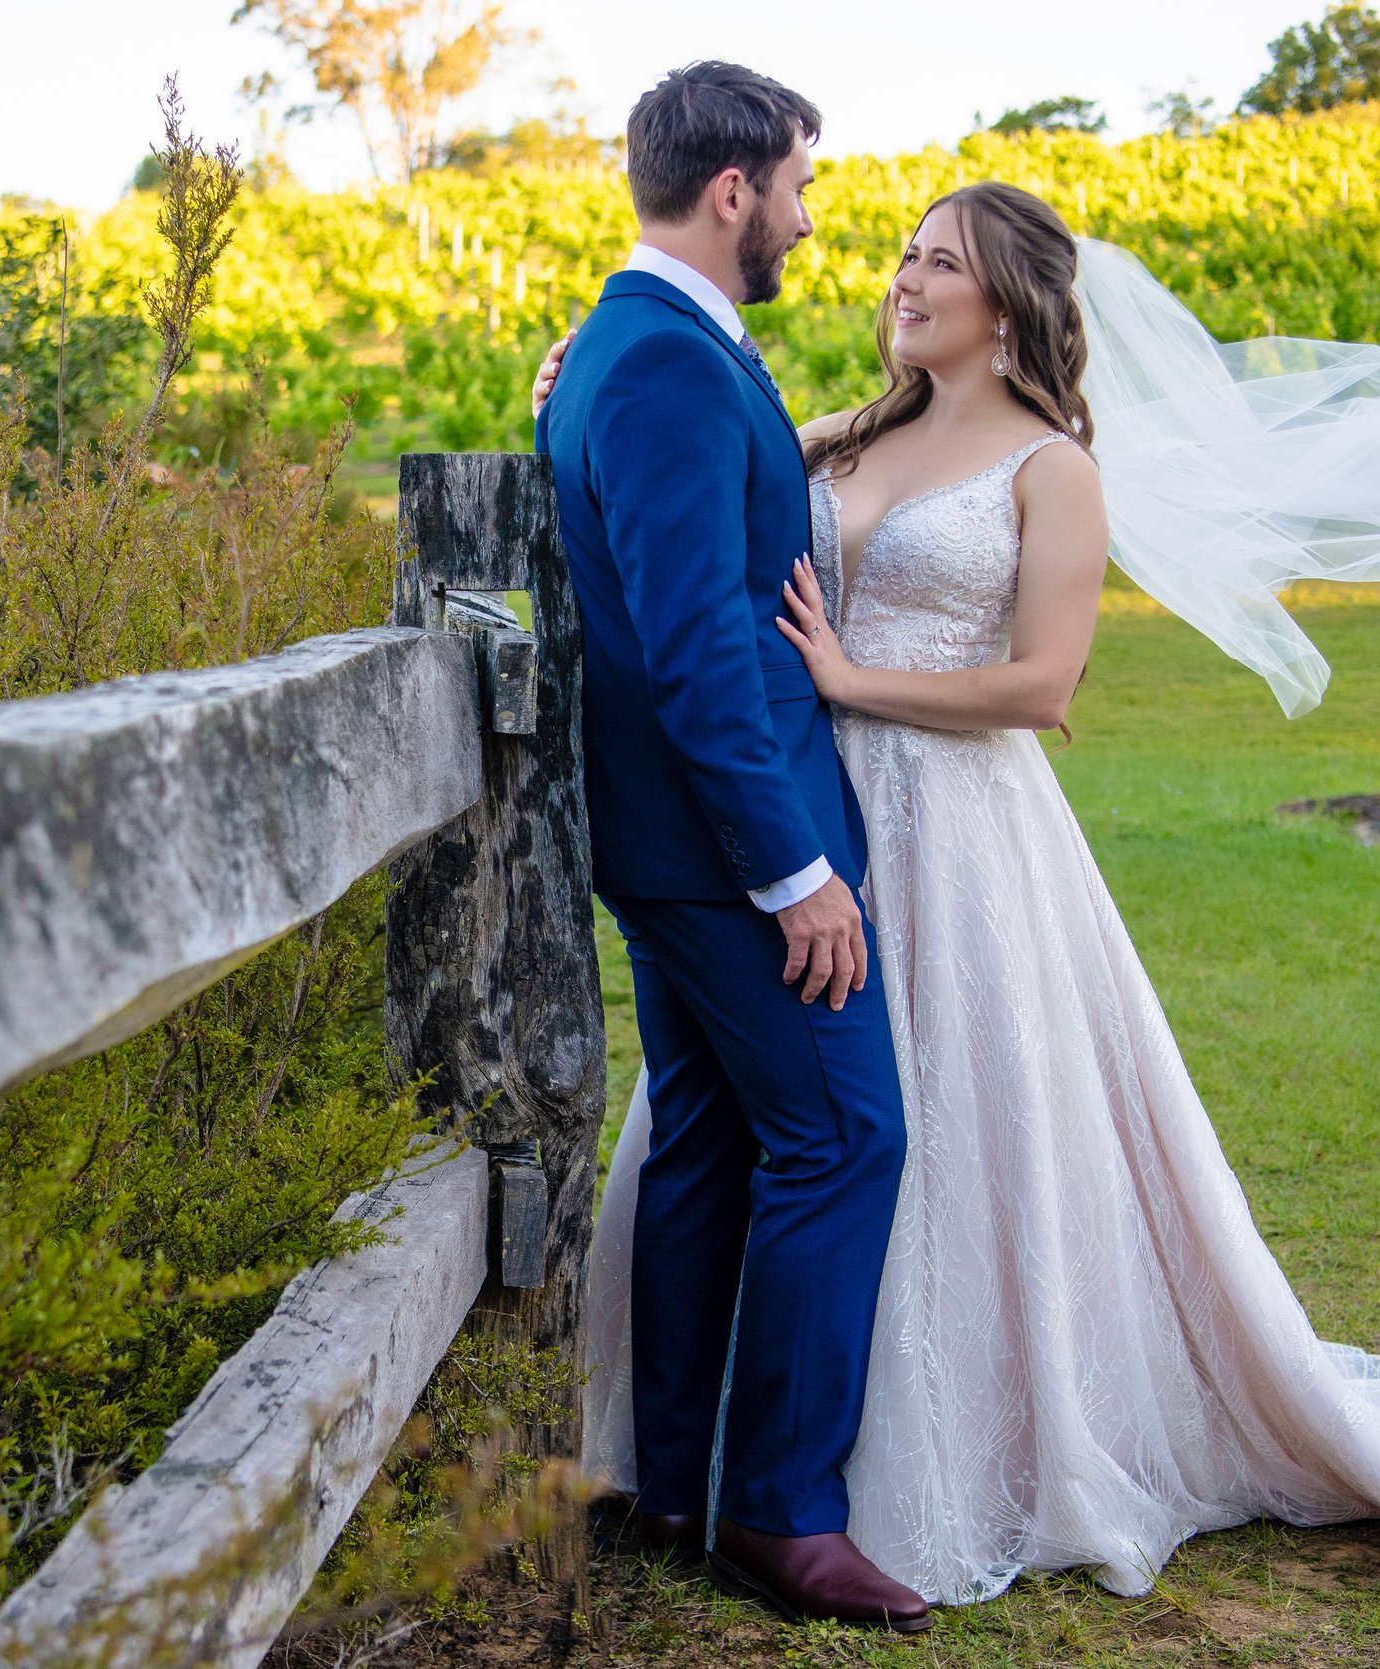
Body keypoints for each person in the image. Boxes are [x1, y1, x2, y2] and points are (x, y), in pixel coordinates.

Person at [545, 173, 1380, 1612]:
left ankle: (933, 1440)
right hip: (808, 818)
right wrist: (574, 387)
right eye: (907, 255)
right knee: (773, 1124)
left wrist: (854, 679)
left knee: (943, 1120)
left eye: (940, 264)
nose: (904, 279)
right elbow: (689, 475)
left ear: (1009, 308)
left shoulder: (1054, 470)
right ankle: (713, 1457)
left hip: (959, 826)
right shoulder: (840, 436)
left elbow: (1044, 687)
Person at [532, 62, 929, 1632]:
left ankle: (672, 1478)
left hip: (677, 842)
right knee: (843, 1137)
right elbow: (694, 646)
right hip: (723, 848)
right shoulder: (663, 365)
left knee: (705, 1134)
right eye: (800, 189)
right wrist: (793, 871)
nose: (810, 221)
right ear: (731, 192)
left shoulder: (631, 347)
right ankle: (780, 1509)